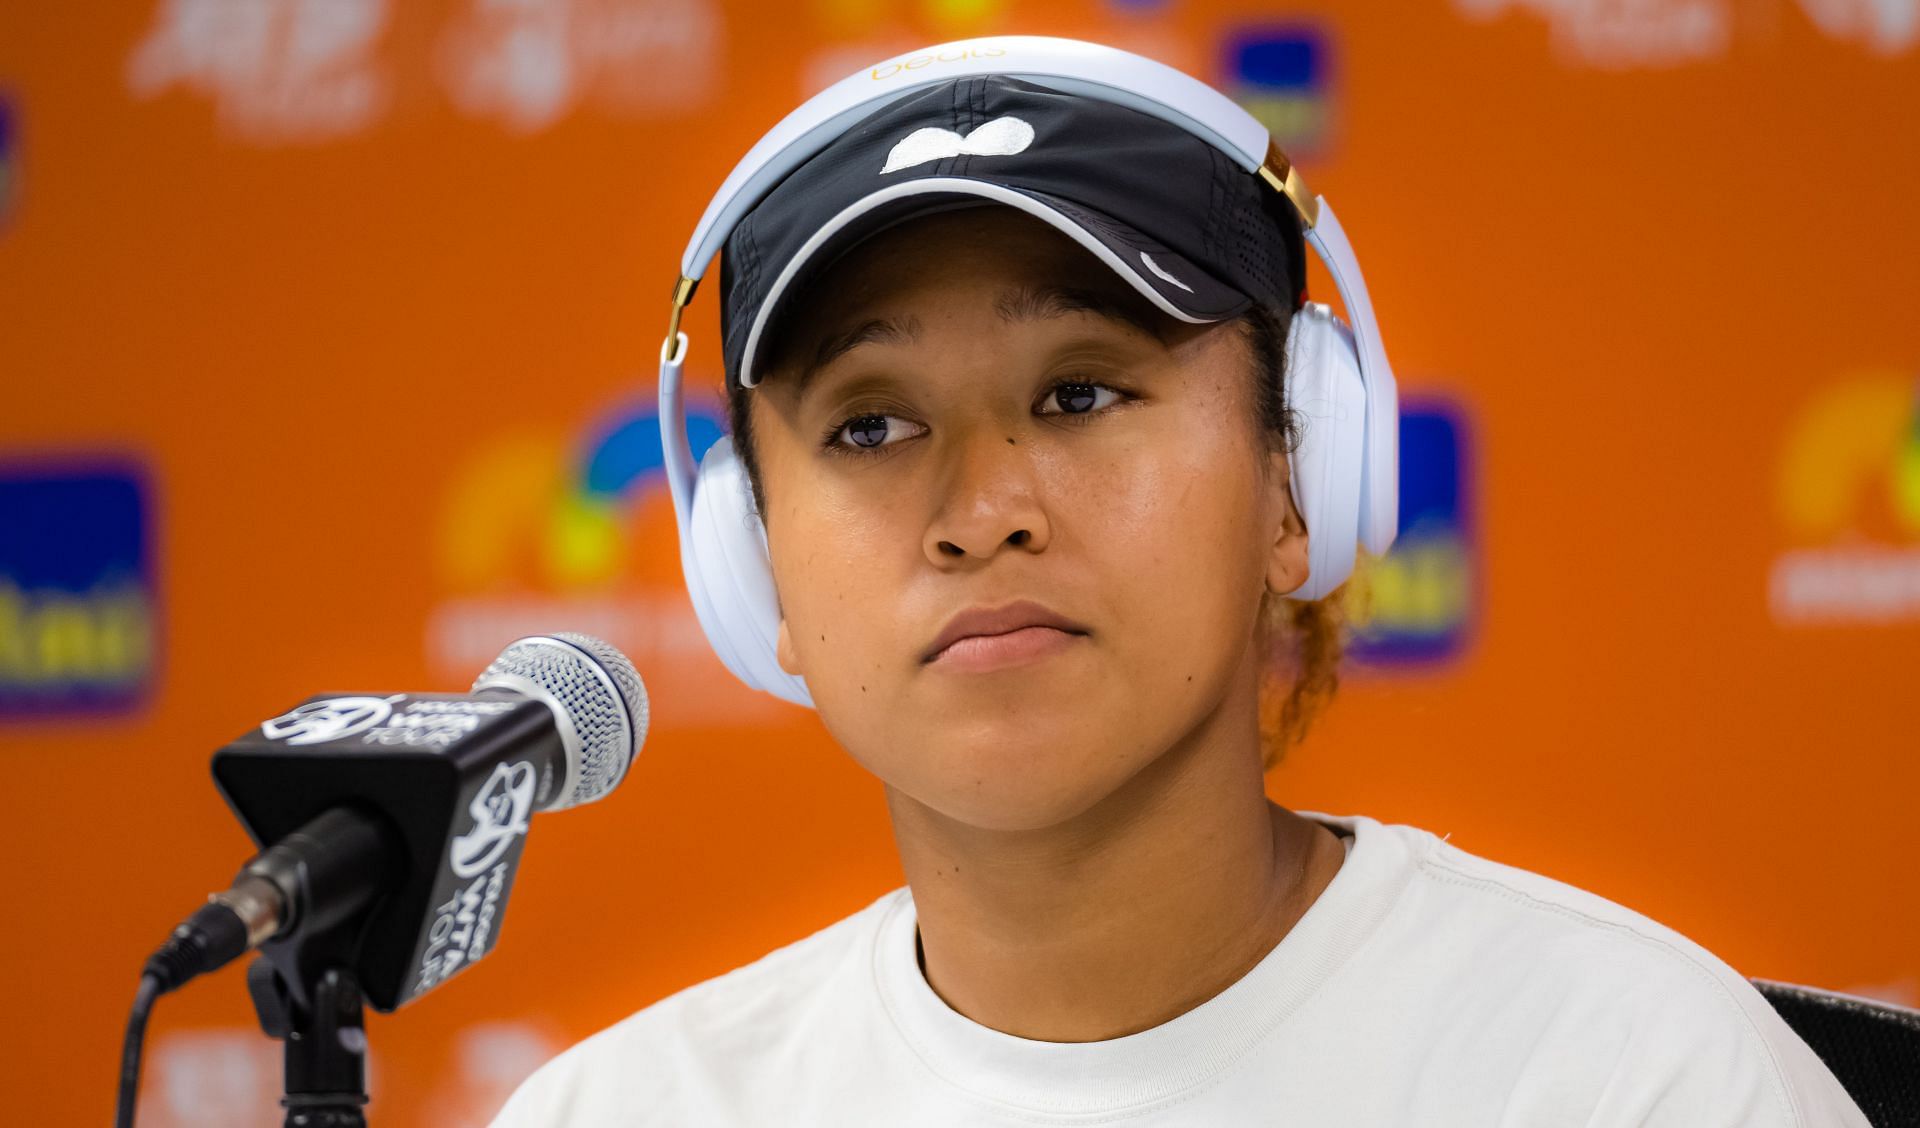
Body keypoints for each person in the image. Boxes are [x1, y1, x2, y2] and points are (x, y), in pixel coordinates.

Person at [492, 42, 1868, 1127]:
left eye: (1081, 391)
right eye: (869, 425)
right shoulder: (619, 1111)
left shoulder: (1631, 1082)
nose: (982, 515)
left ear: (1298, 476)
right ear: (751, 559)